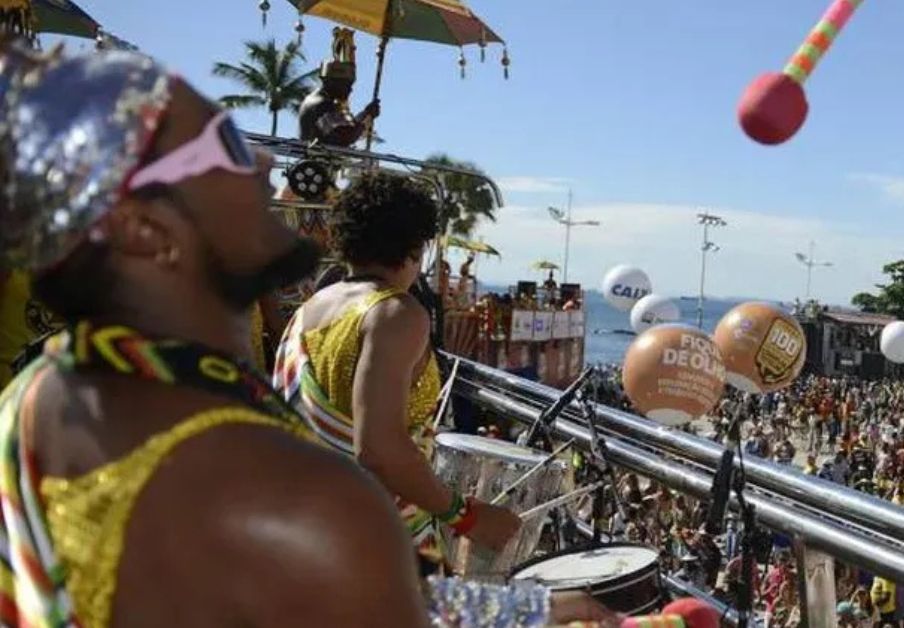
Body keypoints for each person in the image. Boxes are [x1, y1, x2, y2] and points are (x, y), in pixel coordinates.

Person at [0, 38, 429, 626]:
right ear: (145, 229)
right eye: (225, 143)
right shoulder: (295, 498)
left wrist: (535, 608)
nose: (263, 162)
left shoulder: (41, 391)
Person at [274, 170, 521, 575]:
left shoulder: (312, 307)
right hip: (367, 539)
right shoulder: (395, 314)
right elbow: (376, 448)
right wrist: (468, 516)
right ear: (415, 246)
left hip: (302, 523)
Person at [297, 28, 381, 147]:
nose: (350, 90)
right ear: (331, 82)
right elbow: (345, 137)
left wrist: (365, 114)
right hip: (315, 163)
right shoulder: (321, 104)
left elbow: (346, 128)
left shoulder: (322, 99)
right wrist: (368, 116)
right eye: (346, 85)